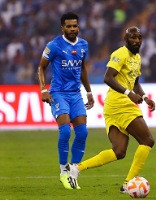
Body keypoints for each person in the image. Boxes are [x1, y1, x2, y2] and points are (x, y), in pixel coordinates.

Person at [68, 27, 156, 193]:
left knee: (119, 151)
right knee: (148, 140)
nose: (137, 41)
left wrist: (144, 98)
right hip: (120, 104)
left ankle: (77, 168)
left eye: (139, 38)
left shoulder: (137, 58)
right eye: (133, 38)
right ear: (126, 39)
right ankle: (128, 183)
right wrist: (129, 94)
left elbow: (135, 83)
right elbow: (107, 77)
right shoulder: (120, 54)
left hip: (114, 107)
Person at [37, 12, 94, 190]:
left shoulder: (83, 44)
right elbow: (41, 67)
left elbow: (82, 68)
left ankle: (73, 171)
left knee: (83, 133)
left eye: (74, 26)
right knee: (65, 133)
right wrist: (44, 89)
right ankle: (63, 172)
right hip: (58, 93)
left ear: (78, 27)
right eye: (68, 26)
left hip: (76, 94)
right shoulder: (53, 45)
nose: (72, 29)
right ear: (62, 28)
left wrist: (89, 92)